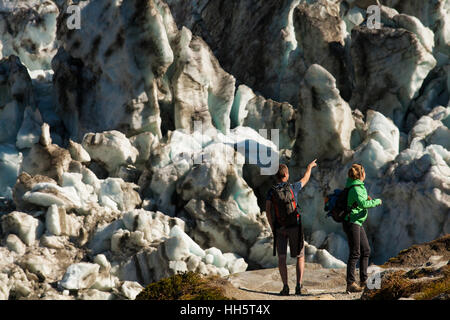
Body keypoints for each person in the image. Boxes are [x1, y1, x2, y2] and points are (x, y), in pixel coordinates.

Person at [265, 159, 317, 296]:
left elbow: (268, 211)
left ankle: (285, 287)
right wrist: (309, 167)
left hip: (280, 228)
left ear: (276, 176)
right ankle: (299, 286)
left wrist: (273, 227)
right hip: (295, 227)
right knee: (300, 256)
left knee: (282, 257)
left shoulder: (271, 192)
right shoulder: (293, 188)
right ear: (286, 175)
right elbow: (305, 178)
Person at [343, 163, 382, 293]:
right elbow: (363, 204)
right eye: (364, 172)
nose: (365, 174)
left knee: (365, 250)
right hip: (352, 222)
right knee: (355, 253)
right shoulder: (355, 188)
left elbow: (359, 201)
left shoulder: (357, 187)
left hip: (357, 222)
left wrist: (366, 198)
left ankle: (364, 280)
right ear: (361, 174)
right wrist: (376, 201)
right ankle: (350, 283)